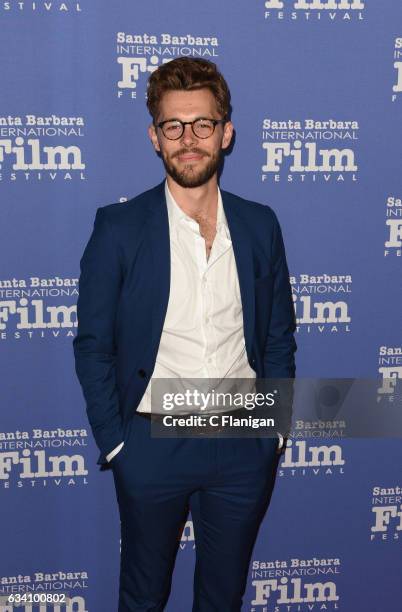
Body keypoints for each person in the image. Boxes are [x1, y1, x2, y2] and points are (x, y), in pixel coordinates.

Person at [73, 57, 297, 612]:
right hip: (151, 440)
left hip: (243, 440)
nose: (189, 139)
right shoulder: (119, 228)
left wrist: (274, 431)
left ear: (226, 132)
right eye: (174, 126)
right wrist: (118, 444)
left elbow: (277, 336)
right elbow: (94, 344)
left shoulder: (260, 224)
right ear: (155, 137)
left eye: (202, 124)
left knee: (222, 597)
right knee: (143, 597)